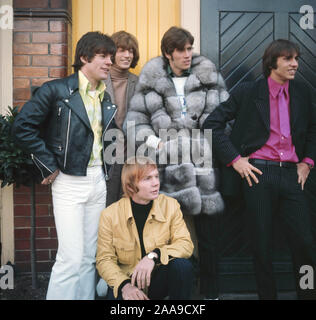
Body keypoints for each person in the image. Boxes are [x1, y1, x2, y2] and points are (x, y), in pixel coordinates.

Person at [203, 39, 316, 300]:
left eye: (296, 58)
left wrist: (307, 161)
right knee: (261, 245)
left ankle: (308, 295)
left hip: (292, 176)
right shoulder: (248, 92)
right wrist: (235, 160)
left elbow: (313, 128)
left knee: (305, 243)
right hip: (258, 176)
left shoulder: (302, 92)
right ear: (271, 63)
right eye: (288, 59)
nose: (295, 64)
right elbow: (212, 124)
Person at [124, 26, 229, 299]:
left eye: (190, 48)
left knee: (209, 242)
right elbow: (134, 125)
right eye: (181, 50)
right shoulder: (150, 81)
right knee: (164, 240)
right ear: (168, 53)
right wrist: (158, 145)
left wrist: (207, 145)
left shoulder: (208, 78)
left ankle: (210, 294)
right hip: (167, 174)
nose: (187, 54)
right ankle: (167, 294)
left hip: (205, 173)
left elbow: (226, 119)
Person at [12, 31, 117, 300]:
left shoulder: (104, 96)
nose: (109, 62)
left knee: (88, 257)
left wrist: (113, 166)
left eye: (111, 57)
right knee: (70, 257)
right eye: (103, 56)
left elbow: (109, 136)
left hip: (97, 181)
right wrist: (49, 164)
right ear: (84, 57)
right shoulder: (55, 91)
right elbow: (22, 128)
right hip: (69, 181)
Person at [96, 156, 194, 300]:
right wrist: (125, 285)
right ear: (130, 186)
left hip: (157, 279)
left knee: (182, 266)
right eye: (147, 179)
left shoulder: (170, 206)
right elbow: (104, 260)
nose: (156, 183)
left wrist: (154, 256)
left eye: (156, 176)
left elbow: (186, 245)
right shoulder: (110, 215)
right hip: (127, 281)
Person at [105, 30, 139, 206]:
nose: (127, 55)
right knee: (106, 207)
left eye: (131, 51)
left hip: (131, 155)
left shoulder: (139, 83)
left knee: (127, 207)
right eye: (121, 50)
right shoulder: (98, 82)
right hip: (104, 158)